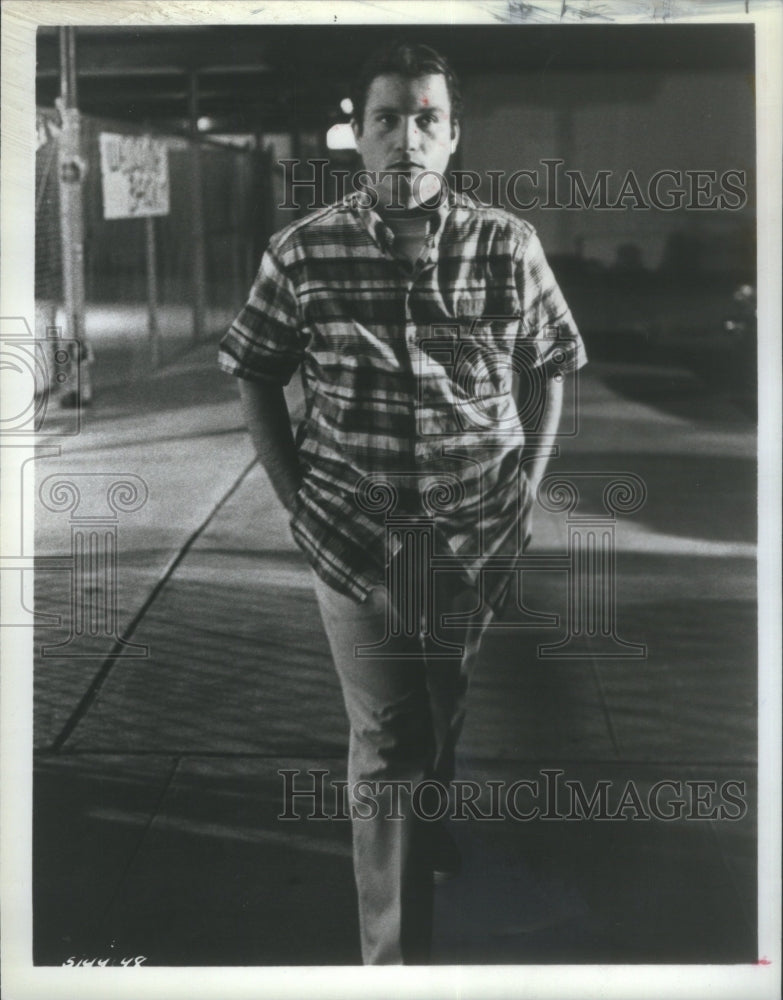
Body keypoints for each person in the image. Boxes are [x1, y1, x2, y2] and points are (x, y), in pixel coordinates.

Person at [218, 40, 587, 965]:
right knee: (385, 741)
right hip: (355, 536)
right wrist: (298, 502)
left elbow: (547, 370)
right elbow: (255, 373)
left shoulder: (507, 246)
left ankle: (433, 812)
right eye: (387, 119)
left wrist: (523, 490)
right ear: (358, 134)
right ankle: (394, 965)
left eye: (427, 119)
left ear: (453, 136)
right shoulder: (303, 252)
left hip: (469, 537)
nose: (407, 138)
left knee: (441, 704)